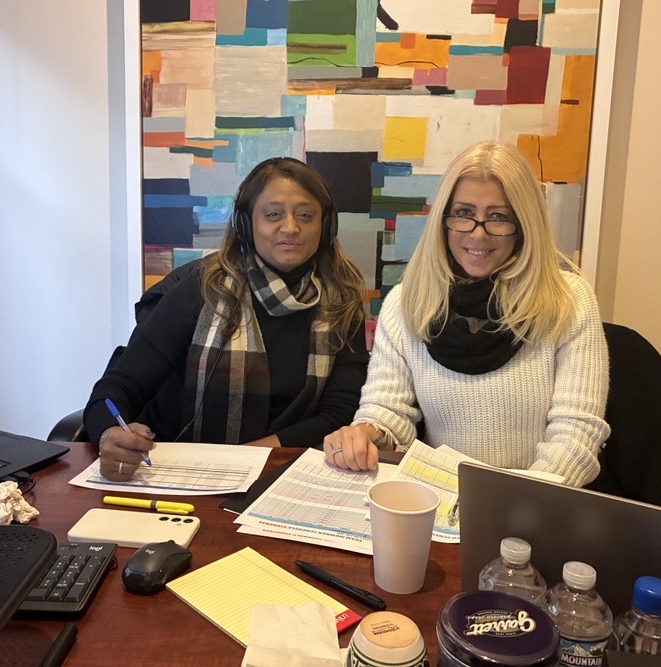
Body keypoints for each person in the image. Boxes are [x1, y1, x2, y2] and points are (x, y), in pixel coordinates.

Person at [323, 141, 610, 486]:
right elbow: (388, 409)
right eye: (463, 213)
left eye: (498, 217)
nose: (478, 233)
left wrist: (513, 501)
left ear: (524, 223)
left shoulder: (569, 300)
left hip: (534, 499)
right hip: (439, 497)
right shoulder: (405, 303)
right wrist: (367, 433)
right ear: (444, 220)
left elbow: (577, 436)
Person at [85, 157, 369, 481]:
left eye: (305, 215)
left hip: (278, 473)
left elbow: (340, 410)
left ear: (325, 226)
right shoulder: (201, 288)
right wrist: (108, 434)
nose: (291, 227)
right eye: (273, 214)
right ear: (246, 224)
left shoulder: (342, 302)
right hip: (177, 470)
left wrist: (249, 458)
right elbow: (118, 387)